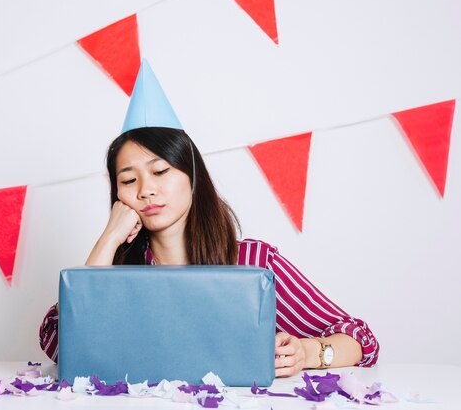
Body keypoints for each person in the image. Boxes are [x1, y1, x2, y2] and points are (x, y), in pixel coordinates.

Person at [39, 61, 379, 377]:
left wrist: (308, 352)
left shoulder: (254, 262)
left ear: (192, 177)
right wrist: (108, 240)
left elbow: (361, 340)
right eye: (128, 180)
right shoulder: (116, 272)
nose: (146, 190)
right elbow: (62, 344)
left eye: (160, 171)